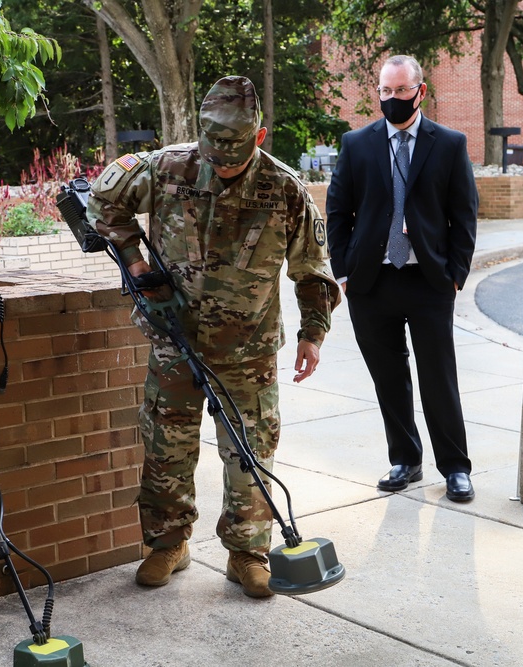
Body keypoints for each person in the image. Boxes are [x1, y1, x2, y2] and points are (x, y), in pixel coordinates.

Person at [88, 75, 340, 598]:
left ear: (260, 137)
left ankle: (247, 555)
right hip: (172, 338)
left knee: (250, 453)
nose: (222, 164)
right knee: (166, 448)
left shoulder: (286, 189)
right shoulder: (165, 167)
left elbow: (313, 270)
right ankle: (167, 545)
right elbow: (102, 201)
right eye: (214, 153)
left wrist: (311, 334)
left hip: (247, 350)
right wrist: (135, 261)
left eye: (234, 156)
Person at [325, 54, 478, 503]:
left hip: (429, 280)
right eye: (385, 91)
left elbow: (464, 215)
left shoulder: (449, 143)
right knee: (389, 378)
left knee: (438, 378)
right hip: (371, 283)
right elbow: (338, 211)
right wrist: (345, 271)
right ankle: (406, 460)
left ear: (420, 91)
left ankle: (455, 468)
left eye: (401, 91)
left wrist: (455, 275)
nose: (392, 99)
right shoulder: (357, 143)